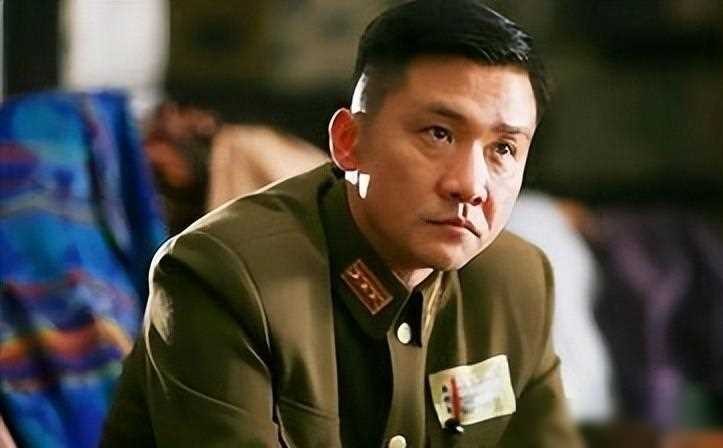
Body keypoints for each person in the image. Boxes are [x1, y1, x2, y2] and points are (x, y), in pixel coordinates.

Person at [101, 1, 583, 446]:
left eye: (503, 149)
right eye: (438, 133)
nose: (470, 185)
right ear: (349, 142)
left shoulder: (517, 282)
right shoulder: (225, 276)